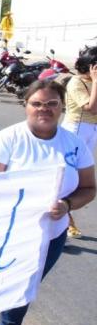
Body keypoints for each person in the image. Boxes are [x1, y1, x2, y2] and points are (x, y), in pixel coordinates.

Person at [0, 80, 96, 325]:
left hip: (50, 235)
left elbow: (89, 188)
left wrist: (67, 205)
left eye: (51, 104)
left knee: (25, 287)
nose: (44, 109)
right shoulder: (7, 139)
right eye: (37, 104)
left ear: (61, 107)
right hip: (5, 232)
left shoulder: (75, 144)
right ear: (26, 106)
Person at [61, 45, 97, 238]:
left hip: (92, 130)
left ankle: (66, 218)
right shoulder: (76, 82)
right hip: (76, 129)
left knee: (79, 176)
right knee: (70, 177)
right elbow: (91, 107)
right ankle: (68, 222)